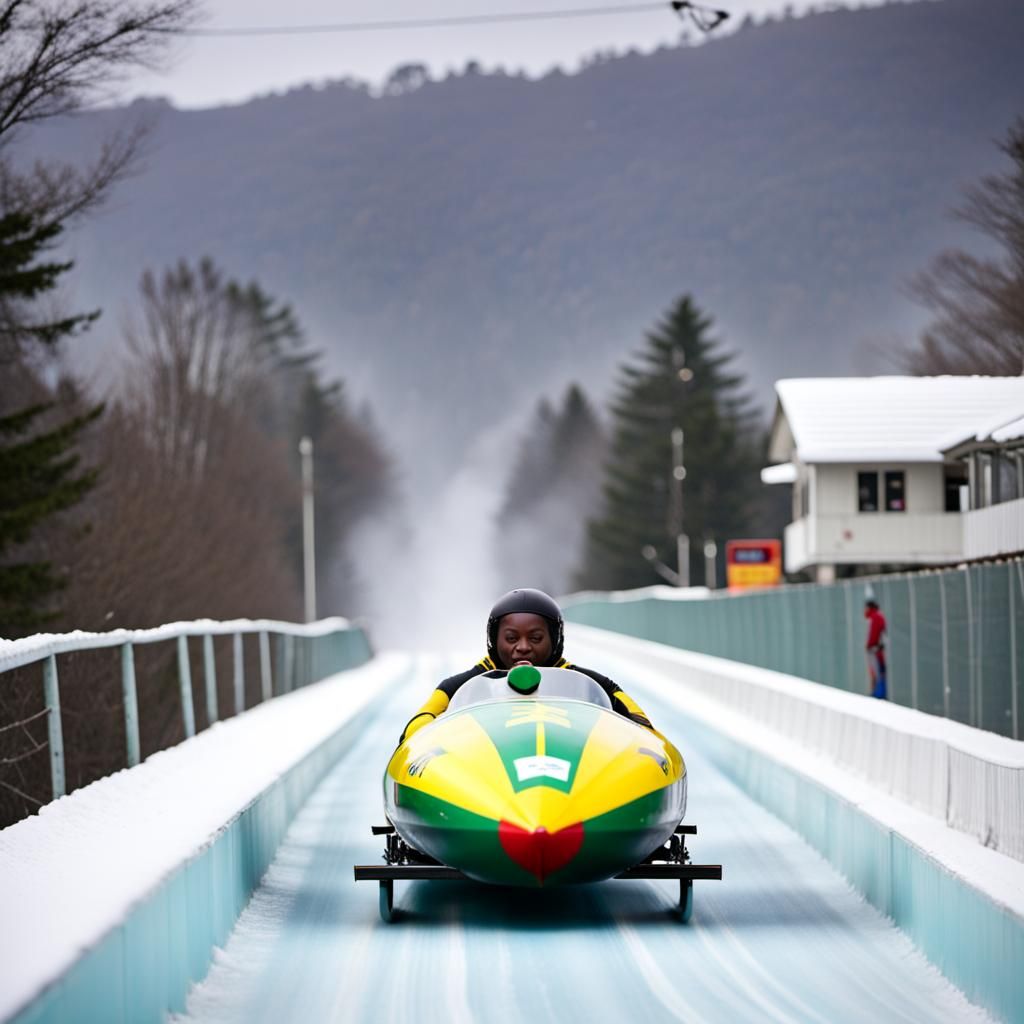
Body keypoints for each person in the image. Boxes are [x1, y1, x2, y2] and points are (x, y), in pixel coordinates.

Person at [399, 588, 656, 743]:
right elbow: (414, 731)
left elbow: (645, 729)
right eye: (511, 638)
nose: (522, 647)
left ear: (555, 639)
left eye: (535, 638)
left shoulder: (597, 684)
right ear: (494, 639)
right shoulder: (453, 687)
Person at [865, 596, 887, 699]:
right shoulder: (876, 616)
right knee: (877, 670)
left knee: (876, 671)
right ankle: (876, 692)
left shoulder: (875, 617)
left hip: (874, 649)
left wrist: (870, 645)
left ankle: (878, 693)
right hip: (876, 649)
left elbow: (874, 634)